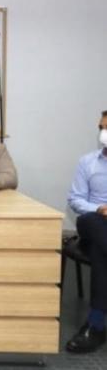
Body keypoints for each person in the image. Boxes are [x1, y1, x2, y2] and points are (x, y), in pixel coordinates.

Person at [65, 110, 107, 353]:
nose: (103, 133)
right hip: (94, 221)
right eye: (101, 127)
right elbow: (76, 200)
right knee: (91, 221)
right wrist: (100, 208)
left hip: (100, 241)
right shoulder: (88, 162)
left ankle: (96, 324)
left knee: (101, 252)